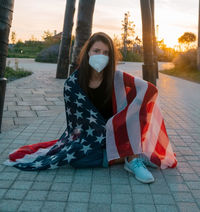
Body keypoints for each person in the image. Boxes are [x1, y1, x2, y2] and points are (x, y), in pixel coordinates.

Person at [4, 32, 177, 184]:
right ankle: (123, 156)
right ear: (88, 53)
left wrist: (129, 113)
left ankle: (133, 159)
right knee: (76, 160)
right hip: (90, 135)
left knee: (137, 105)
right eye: (96, 51)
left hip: (118, 132)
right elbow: (76, 125)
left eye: (105, 53)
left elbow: (150, 90)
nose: (100, 56)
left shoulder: (117, 77)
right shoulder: (73, 84)